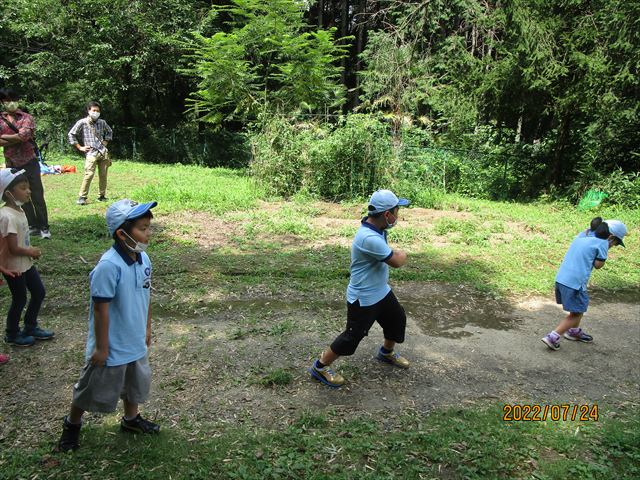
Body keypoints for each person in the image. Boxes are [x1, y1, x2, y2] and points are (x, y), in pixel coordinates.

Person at [57, 199, 159, 452]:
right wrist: (102, 348)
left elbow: (146, 295)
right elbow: (101, 310)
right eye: (142, 229)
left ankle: (131, 419)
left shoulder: (143, 259)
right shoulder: (108, 266)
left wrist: (146, 327)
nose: (148, 234)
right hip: (111, 344)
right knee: (90, 387)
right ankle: (72, 425)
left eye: (148, 227)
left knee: (135, 383)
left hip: (134, 337)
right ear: (121, 233)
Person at [308, 189, 411, 388]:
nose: (399, 215)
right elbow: (397, 261)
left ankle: (386, 353)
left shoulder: (377, 228)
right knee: (352, 336)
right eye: (397, 211)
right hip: (363, 297)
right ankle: (320, 367)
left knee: (397, 320)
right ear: (387, 215)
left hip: (380, 290)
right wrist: (402, 253)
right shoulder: (368, 238)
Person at [542, 219, 628, 351]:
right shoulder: (603, 243)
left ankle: (573, 332)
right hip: (575, 284)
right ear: (610, 237)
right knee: (576, 313)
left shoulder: (583, 235)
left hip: (561, 279)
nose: (614, 246)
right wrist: (603, 252)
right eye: (615, 243)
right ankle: (553, 336)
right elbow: (598, 265)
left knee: (579, 308)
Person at [0, 168, 53, 347]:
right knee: (20, 298)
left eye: (28, 187)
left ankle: (30, 326)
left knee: (39, 292)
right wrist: (31, 251)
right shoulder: (6, 216)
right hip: (13, 266)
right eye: (23, 188)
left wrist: (29, 253)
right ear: (9, 193)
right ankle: (12, 333)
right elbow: (14, 248)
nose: (28, 191)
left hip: (26, 263)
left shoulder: (20, 211)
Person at [0, 88, 51, 239]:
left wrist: (4, 136)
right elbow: (19, 136)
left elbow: (24, 136)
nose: (11, 103)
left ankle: (44, 227)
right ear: (2, 102)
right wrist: (16, 136)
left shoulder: (26, 117)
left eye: (13, 99)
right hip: (12, 164)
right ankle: (32, 225)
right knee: (20, 195)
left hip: (30, 162)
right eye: (7, 100)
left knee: (36, 194)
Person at [68, 101, 113, 206]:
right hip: (91, 153)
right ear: (88, 111)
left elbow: (110, 131)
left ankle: (102, 196)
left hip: (103, 152)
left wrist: (106, 141)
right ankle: (82, 197)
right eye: (93, 110)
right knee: (89, 174)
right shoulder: (82, 122)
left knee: (103, 175)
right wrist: (80, 147)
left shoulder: (102, 122)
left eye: (97, 111)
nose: (95, 112)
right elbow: (71, 134)